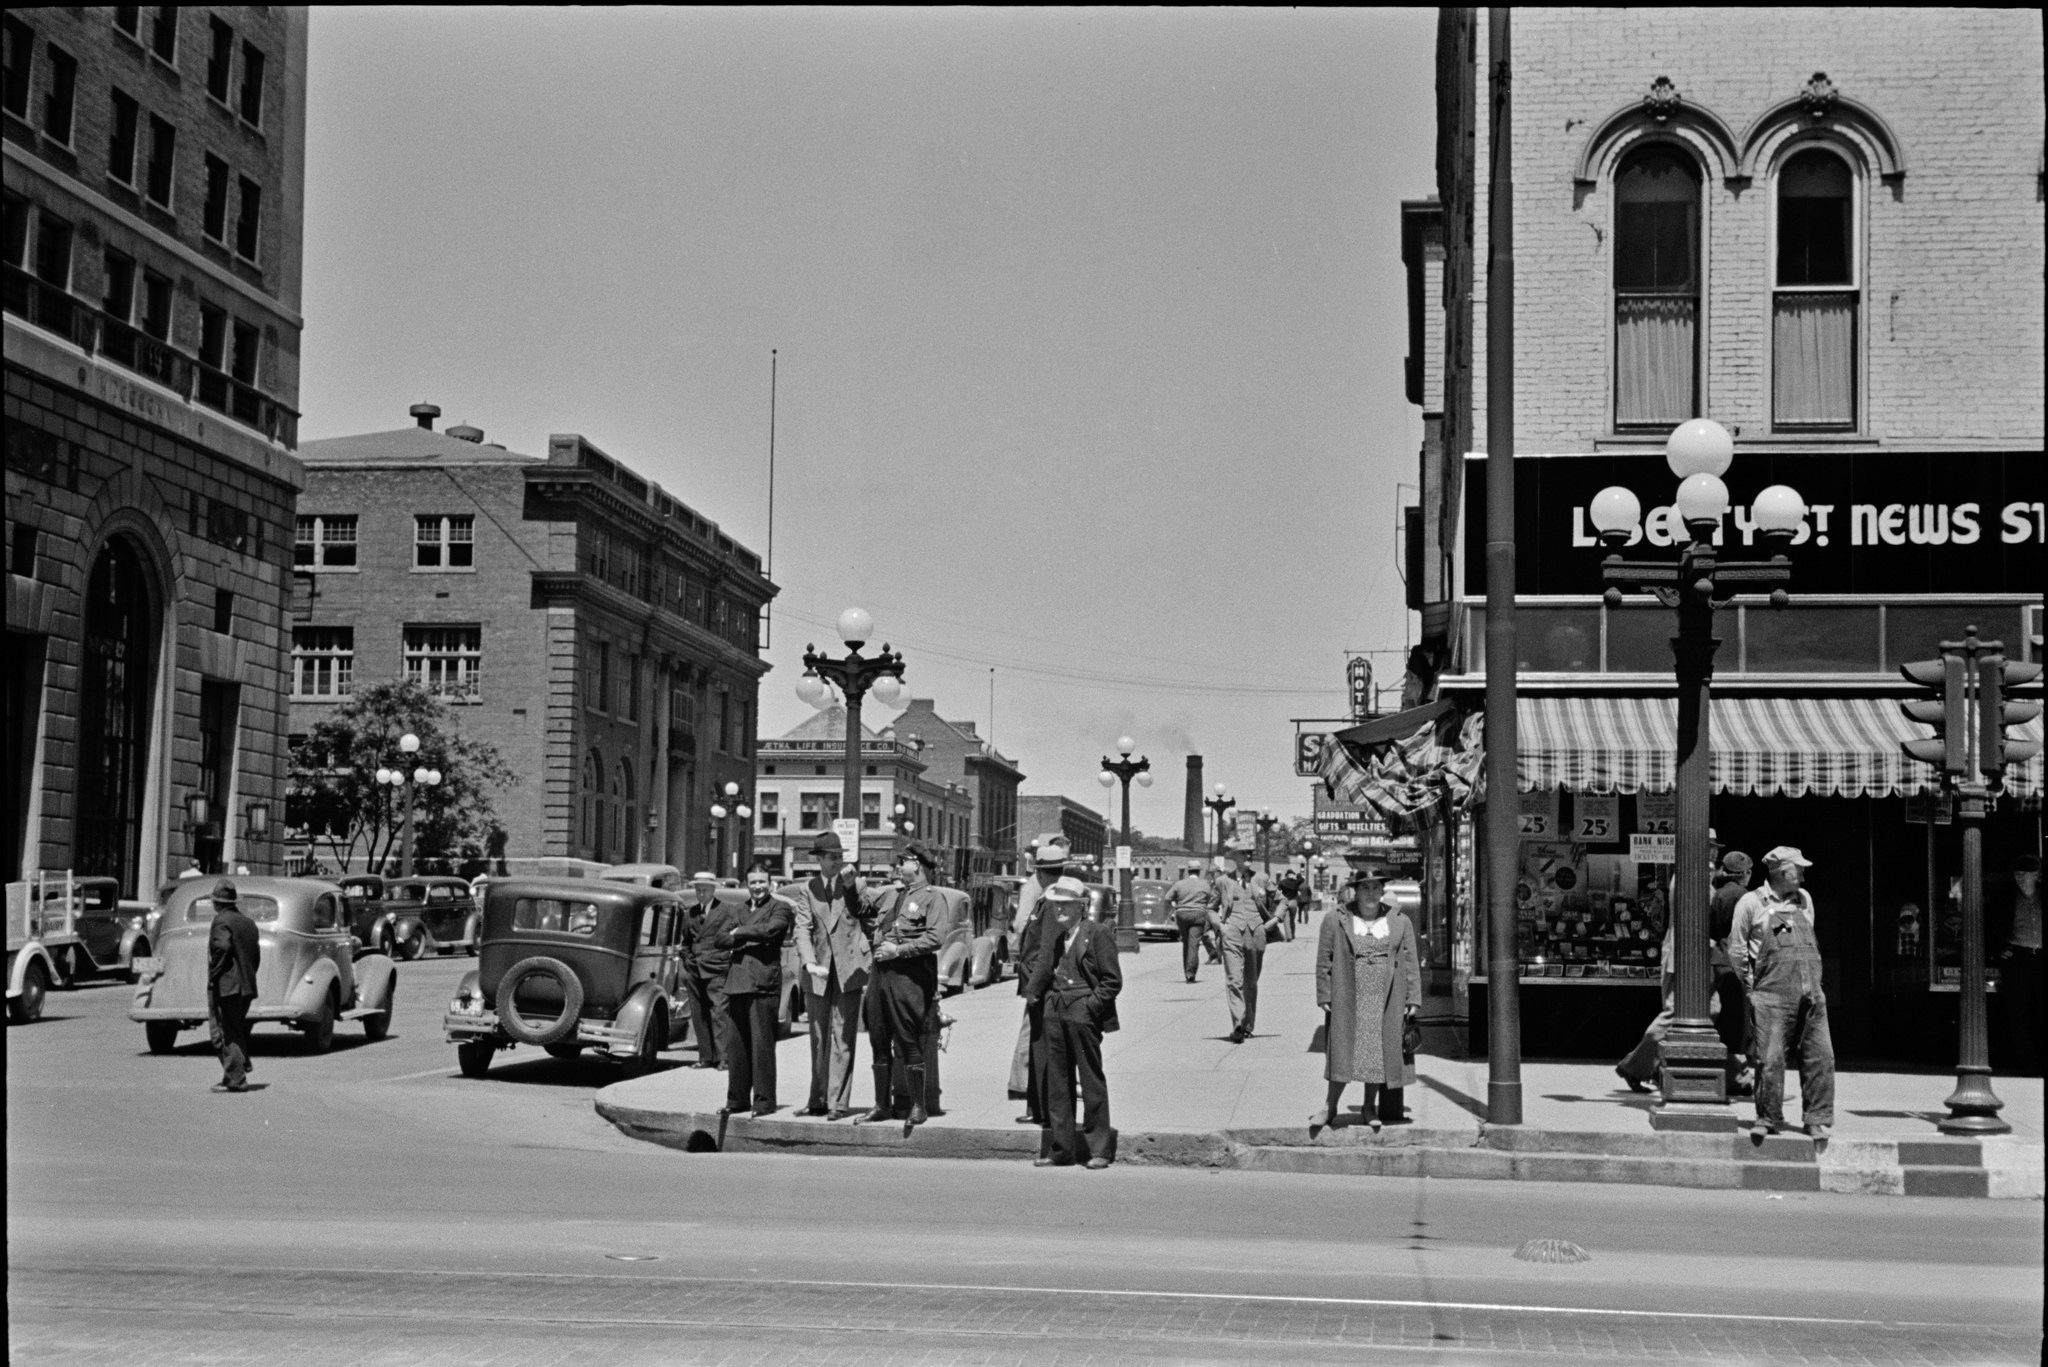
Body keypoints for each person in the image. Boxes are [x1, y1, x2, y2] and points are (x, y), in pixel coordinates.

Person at [1731, 846, 1834, 1140]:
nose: (1802, 873)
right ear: (1779, 873)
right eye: (1796, 868)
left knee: (1820, 1056)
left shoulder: (1805, 900)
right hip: (1771, 993)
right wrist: (1752, 988)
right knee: (1770, 1058)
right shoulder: (1751, 902)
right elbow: (1737, 950)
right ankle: (1768, 1117)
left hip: (1811, 991)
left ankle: (1816, 1118)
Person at [1312, 872, 1421, 1133]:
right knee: (1342, 1050)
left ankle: (1368, 1107)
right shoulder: (1336, 919)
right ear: (1355, 892)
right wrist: (1324, 994)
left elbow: (1410, 960)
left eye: (1376, 888)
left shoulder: (1399, 920)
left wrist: (1413, 997)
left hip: (1387, 994)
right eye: (1365, 888)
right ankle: (1330, 1106)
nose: (1371, 893)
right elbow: (1324, 959)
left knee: (1376, 1050)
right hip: (1348, 991)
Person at [1614, 834, 1723, 1094]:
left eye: (1714, 850)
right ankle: (1637, 1066)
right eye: (1710, 849)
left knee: (1711, 1008)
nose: (1714, 854)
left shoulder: (1695, 875)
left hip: (1691, 955)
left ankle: (1656, 1067)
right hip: (1686, 956)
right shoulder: (1691, 875)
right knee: (1677, 1012)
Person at [1026, 877, 1123, 1169]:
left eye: (1066, 906)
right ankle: (1061, 1150)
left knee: (1091, 1081)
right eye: (1056, 907)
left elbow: (1112, 981)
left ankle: (1099, 1150)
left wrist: (1091, 1006)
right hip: (1054, 1013)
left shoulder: (1097, 934)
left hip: (1083, 1015)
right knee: (1057, 1084)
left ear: (1082, 906)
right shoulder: (1059, 937)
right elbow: (1046, 968)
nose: (1059, 912)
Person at [857, 842, 944, 1126]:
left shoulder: (933, 898)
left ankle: (918, 1106)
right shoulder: (891, 895)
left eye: (902, 861)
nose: (897, 866)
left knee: (908, 1038)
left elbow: (935, 938)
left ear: (916, 865)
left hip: (908, 976)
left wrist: (900, 950)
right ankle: (882, 1105)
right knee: (878, 1038)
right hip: (880, 974)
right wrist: (849, 884)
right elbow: (860, 907)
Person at [790, 831, 874, 1118]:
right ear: (820, 860)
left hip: (849, 970)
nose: (838, 861)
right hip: (819, 972)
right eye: (832, 857)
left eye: (841, 856)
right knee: (817, 1037)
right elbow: (802, 927)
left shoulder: (856, 883)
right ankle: (817, 1099)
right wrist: (809, 961)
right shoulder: (808, 888)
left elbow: (865, 914)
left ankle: (838, 1103)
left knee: (843, 1036)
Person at [716, 866, 795, 1119]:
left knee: (762, 1046)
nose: (758, 886)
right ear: (746, 884)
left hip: (763, 984)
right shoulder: (737, 909)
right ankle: (737, 1100)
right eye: (753, 882)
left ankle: (764, 1102)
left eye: (762, 882)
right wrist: (751, 936)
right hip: (737, 982)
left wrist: (739, 932)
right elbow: (719, 939)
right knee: (737, 1047)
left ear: (770, 884)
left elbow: (772, 932)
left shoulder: (780, 907)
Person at [1008, 838, 1069, 1123]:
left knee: (1044, 1048)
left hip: (1042, 986)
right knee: (1037, 1044)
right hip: (1037, 983)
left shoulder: (1052, 902)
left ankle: (1043, 1110)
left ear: (1041, 873)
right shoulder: (1047, 899)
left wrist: (1033, 988)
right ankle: (1035, 1107)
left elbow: (1045, 953)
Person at [1211, 842, 1282, 1042]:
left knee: (1251, 981)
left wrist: (1274, 920)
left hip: (1256, 933)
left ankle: (1248, 1024)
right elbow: (1209, 908)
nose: (1249, 855)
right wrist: (1219, 926)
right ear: (1235, 857)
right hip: (1231, 932)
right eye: (1244, 853)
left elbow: (1282, 900)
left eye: (1251, 852)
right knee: (1234, 980)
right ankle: (1238, 1024)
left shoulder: (1262, 879)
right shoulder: (1223, 881)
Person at [205, 879, 261, 1093]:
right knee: (235, 1028)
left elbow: (222, 947)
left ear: (216, 903)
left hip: (227, 985)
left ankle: (236, 1078)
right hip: (246, 985)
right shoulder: (248, 923)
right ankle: (236, 1070)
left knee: (223, 1032)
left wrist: (214, 973)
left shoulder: (221, 921)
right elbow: (255, 957)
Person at [1707, 850, 1755, 1092]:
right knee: (1738, 1023)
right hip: (1736, 960)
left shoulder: (1718, 895)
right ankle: (1736, 1076)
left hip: (1719, 960)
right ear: (1745, 873)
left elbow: (1713, 930)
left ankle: (1736, 1074)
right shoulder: (1745, 897)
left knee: (1725, 1020)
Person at [1993, 854, 2042, 1075]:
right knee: (2019, 1012)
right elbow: (1994, 925)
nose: (2020, 879)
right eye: (2017, 875)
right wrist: (2000, 951)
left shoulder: (2041, 897)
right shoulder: (2007, 898)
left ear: (2036, 875)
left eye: (2025, 875)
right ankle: (2027, 1064)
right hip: (2018, 956)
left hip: (2041, 955)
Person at [677, 872, 730, 1070]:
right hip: (695, 972)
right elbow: (685, 942)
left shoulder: (725, 910)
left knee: (719, 1013)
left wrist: (723, 961)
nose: (701, 893)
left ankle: (723, 1058)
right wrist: (688, 961)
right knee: (699, 1015)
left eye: (705, 889)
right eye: (698, 890)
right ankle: (706, 1057)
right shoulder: (689, 913)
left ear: (713, 890)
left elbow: (730, 939)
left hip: (717, 970)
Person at [1165, 863, 1216, 983]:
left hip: (1182, 914)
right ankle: (1190, 973)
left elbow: (1167, 898)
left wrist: (1175, 907)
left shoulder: (1179, 884)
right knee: (1194, 944)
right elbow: (1212, 899)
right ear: (1199, 872)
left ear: (1188, 871)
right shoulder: (1205, 884)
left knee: (1186, 943)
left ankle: (1186, 971)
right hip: (1198, 915)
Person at [1275, 869, 1306, 943]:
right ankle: (1293, 934)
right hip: (1293, 902)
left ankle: (1288, 937)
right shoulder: (1296, 882)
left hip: (1285, 901)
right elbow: (1302, 879)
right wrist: (1298, 875)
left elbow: (1278, 889)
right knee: (1292, 919)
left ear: (1286, 875)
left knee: (1286, 920)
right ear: (1292, 875)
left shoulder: (1283, 882)